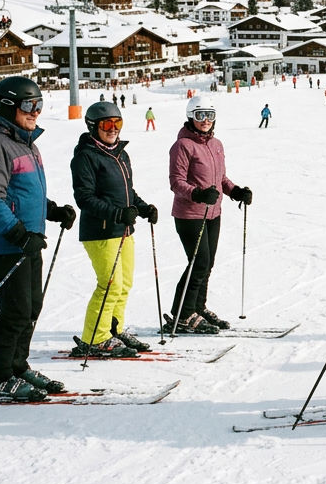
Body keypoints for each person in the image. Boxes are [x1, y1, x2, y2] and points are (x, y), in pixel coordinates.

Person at [0, 76, 75, 401]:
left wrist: (52, 211)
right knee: (15, 310)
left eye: (39, 105)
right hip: (4, 244)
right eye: (29, 105)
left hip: (29, 240)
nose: (36, 112)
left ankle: (16, 365)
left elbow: (27, 195)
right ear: (7, 106)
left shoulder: (27, 143)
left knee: (31, 307)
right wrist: (18, 234)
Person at [69, 101, 158, 358]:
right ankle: (95, 339)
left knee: (124, 284)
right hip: (101, 231)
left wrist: (142, 207)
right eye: (107, 124)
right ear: (93, 127)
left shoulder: (120, 153)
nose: (113, 129)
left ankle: (112, 329)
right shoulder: (86, 156)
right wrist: (117, 213)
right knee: (109, 285)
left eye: (117, 123)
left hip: (123, 229)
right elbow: (84, 197)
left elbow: (127, 192)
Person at [166, 95, 251, 335]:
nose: (205, 121)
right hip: (190, 213)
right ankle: (182, 314)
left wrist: (236, 191)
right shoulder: (183, 146)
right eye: (200, 115)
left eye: (210, 116)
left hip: (213, 213)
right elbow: (176, 182)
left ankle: (196, 308)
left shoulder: (216, 145)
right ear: (191, 116)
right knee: (198, 263)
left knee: (208, 263)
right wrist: (198, 195)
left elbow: (220, 178)